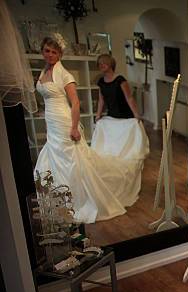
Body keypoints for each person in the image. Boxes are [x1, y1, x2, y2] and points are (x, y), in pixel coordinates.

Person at [33, 37, 142, 223]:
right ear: (42, 52)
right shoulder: (43, 72)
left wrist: (74, 127)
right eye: (47, 51)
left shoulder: (65, 75)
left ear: (60, 54)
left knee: (71, 158)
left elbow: (75, 102)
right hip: (51, 121)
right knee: (54, 157)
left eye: (54, 51)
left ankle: (80, 198)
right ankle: (60, 198)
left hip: (64, 121)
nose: (50, 54)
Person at [92, 54, 149, 161]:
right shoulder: (101, 82)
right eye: (99, 64)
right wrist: (98, 114)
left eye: (104, 63)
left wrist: (136, 114)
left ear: (110, 64)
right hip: (112, 115)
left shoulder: (120, 80)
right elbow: (101, 100)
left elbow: (129, 98)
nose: (101, 65)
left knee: (126, 144)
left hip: (125, 115)